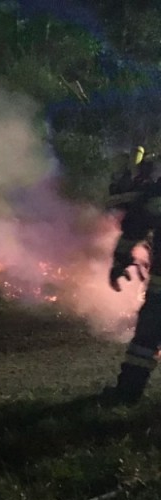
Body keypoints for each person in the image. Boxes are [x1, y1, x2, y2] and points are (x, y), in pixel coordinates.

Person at [106, 146, 161, 402]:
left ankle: (127, 393)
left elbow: (133, 229)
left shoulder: (156, 195)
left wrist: (119, 264)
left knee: (145, 341)